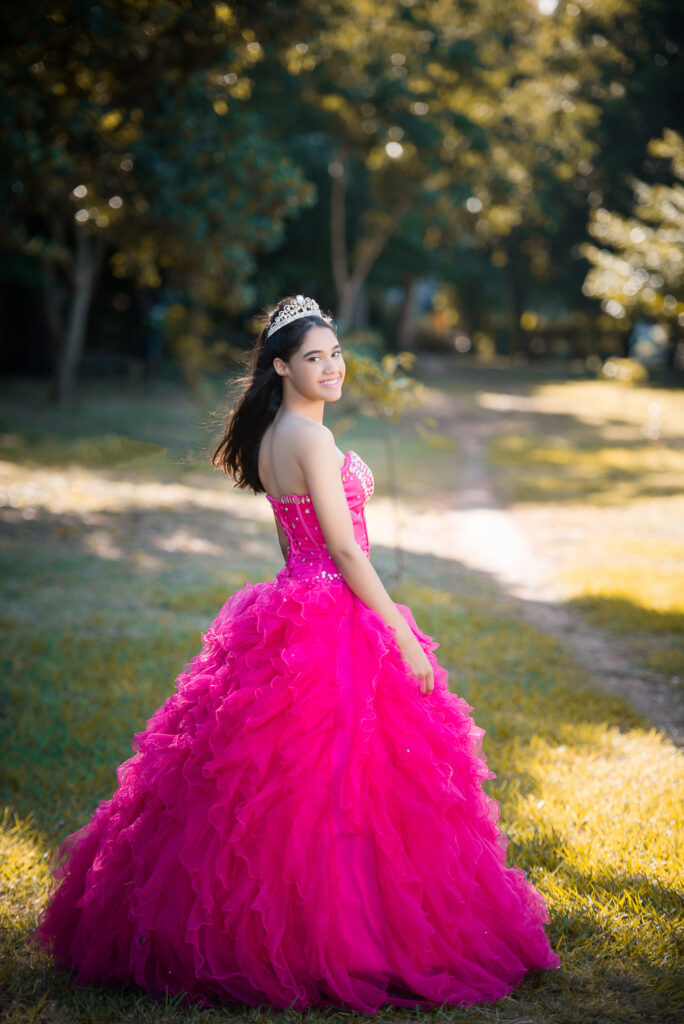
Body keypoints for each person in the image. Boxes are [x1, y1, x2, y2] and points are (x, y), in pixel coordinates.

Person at [32, 294, 561, 1012]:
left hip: (291, 596)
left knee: (271, 774)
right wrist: (402, 632)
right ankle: (344, 935)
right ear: (282, 365)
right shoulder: (312, 440)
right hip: (333, 606)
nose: (332, 366)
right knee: (341, 770)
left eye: (335, 353)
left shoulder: (273, 436)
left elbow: (291, 542)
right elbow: (343, 547)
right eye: (315, 357)